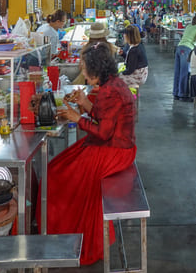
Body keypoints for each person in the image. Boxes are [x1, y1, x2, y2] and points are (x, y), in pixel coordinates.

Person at [44, 43, 136, 265]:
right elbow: (105, 117)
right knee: (58, 166)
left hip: (113, 151)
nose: (82, 73)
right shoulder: (113, 85)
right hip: (114, 146)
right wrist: (85, 104)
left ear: (96, 70)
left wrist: (78, 118)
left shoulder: (110, 91)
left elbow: (103, 132)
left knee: (57, 175)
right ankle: (65, 232)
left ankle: (68, 237)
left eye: (84, 68)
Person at [173, 13, 196, 100]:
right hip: (187, 48)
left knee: (178, 71)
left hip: (179, 48)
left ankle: (176, 93)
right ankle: (183, 95)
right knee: (185, 72)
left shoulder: (189, 26)